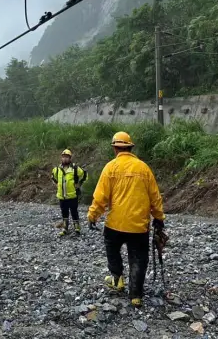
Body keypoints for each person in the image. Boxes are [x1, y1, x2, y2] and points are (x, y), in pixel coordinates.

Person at [87, 131, 165, 307]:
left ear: (115, 148)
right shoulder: (143, 168)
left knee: (112, 250)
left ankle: (117, 279)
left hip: (114, 224)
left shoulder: (110, 168)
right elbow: (155, 197)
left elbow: (101, 197)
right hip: (138, 226)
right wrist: (159, 218)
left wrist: (93, 215)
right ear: (130, 147)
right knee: (138, 258)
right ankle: (135, 295)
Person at [51, 149, 88, 236]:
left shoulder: (75, 169)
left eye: (67, 157)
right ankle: (65, 228)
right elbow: (53, 177)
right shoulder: (57, 169)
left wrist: (79, 184)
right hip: (62, 196)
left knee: (74, 211)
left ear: (70, 158)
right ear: (61, 158)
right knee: (64, 212)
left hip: (72, 195)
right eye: (63, 157)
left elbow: (84, 175)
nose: (65, 159)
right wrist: (57, 184)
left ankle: (77, 228)